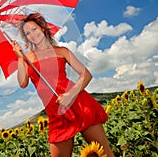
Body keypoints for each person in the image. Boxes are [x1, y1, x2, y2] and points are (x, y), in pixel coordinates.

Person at [11, 13, 114, 157]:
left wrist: (70, 95)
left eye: (34, 29)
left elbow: (86, 74)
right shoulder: (27, 59)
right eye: (27, 33)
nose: (32, 35)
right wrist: (20, 59)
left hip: (79, 105)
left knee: (106, 154)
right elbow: (23, 83)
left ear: (42, 28)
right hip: (56, 114)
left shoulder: (62, 51)